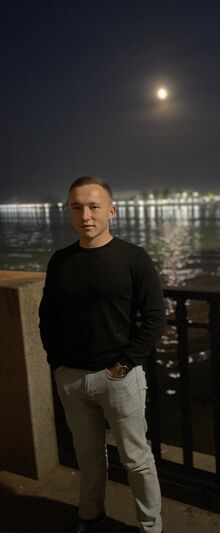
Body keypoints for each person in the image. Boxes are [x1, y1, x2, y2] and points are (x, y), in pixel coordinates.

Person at [39, 176, 165, 533]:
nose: (86, 216)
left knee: (136, 459)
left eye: (94, 207)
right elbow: (48, 316)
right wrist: (57, 364)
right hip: (72, 378)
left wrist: (124, 365)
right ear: (69, 212)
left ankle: (151, 527)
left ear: (112, 211)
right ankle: (91, 516)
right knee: (89, 458)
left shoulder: (133, 258)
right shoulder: (60, 260)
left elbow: (155, 317)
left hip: (119, 378)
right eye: (77, 207)